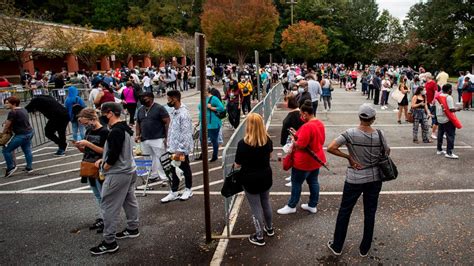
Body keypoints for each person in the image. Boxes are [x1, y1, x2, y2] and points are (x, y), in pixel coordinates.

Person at [326, 103, 387, 257]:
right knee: (370, 212)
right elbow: (387, 152)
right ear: (373, 119)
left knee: (345, 212)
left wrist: (349, 157)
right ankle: (364, 248)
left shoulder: (350, 133)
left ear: (359, 117)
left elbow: (331, 147)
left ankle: (337, 246)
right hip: (374, 179)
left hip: (354, 178)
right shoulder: (379, 134)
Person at [90, 102, 139, 255]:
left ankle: (109, 242)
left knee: (109, 206)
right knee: (129, 200)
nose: (101, 116)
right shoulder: (126, 128)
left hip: (118, 173)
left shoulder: (115, 131)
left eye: (102, 113)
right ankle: (133, 228)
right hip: (130, 170)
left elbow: (114, 153)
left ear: (110, 113)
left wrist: (105, 166)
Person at [277, 100, 326, 215]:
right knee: (313, 182)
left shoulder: (307, 126)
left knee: (296, 183)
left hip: (303, 162)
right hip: (316, 159)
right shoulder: (319, 123)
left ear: (305, 113)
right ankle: (312, 204)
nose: (300, 116)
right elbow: (321, 140)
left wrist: (294, 140)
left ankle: (292, 205)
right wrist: (297, 134)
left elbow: (300, 144)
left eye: (301, 114)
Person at [234, 113, 274, 246]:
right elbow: (269, 156)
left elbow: (237, 164)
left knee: (256, 207)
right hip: (265, 176)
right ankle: (269, 228)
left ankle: (259, 236)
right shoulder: (268, 140)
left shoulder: (243, 144)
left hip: (250, 179)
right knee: (266, 202)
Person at [74, 108, 109, 233]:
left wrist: (88, 144)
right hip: (88, 165)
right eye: (83, 124)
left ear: (93, 119)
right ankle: (102, 217)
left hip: (99, 167)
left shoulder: (104, 132)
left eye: (85, 123)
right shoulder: (88, 131)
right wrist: (80, 147)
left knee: (103, 195)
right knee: (97, 195)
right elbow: (86, 150)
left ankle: (107, 220)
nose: (85, 126)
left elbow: (106, 151)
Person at [161, 90, 194, 203]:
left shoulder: (183, 114)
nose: (168, 101)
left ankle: (188, 189)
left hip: (180, 149)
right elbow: (173, 129)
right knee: (174, 168)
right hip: (173, 147)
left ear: (175, 99)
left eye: (169, 99)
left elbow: (185, 133)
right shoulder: (175, 111)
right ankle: (174, 191)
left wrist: (180, 150)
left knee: (184, 168)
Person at [136, 92, 170, 183]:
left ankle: (165, 177)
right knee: (148, 158)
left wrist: (167, 136)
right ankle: (153, 175)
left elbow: (167, 122)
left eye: (145, 97)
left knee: (161, 157)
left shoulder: (159, 108)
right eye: (141, 97)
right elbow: (138, 123)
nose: (142, 99)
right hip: (144, 138)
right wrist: (137, 134)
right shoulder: (140, 110)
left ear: (151, 98)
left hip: (158, 137)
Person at [2, 96, 34, 177]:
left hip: (21, 135)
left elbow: (7, 125)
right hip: (29, 132)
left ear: (14, 104)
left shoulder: (12, 112)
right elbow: (19, 119)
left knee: (6, 150)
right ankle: (29, 167)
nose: (5, 105)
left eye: (7, 103)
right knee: (27, 149)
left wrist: (3, 134)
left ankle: (10, 167)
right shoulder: (23, 109)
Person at [280, 94, 305, 187]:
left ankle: (295, 179)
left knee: (294, 160)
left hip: (293, 141)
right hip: (291, 140)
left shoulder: (296, 114)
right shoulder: (295, 113)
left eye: (286, 101)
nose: (284, 103)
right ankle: (293, 176)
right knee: (292, 159)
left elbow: (298, 129)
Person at [198, 86, 225, 162]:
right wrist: (198, 121)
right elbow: (200, 111)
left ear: (207, 91)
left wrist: (212, 107)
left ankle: (214, 156)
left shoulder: (214, 99)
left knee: (213, 140)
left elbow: (221, 108)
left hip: (213, 123)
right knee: (201, 139)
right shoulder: (203, 99)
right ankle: (203, 154)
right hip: (203, 123)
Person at [435, 84, 462, 159]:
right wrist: (458, 109)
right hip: (447, 119)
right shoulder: (448, 97)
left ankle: (439, 149)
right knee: (450, 135)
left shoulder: (438, 96)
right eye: (451, 89)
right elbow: (451, 109)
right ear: (449, 90)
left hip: (439, 117)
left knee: (440, 134)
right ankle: (449, 152)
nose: (452, 90)